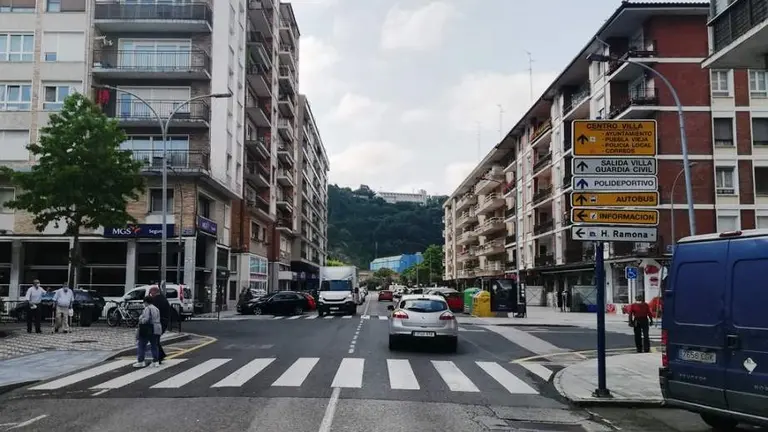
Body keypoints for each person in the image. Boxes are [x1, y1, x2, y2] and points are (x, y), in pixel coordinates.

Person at [135, 295, 162, 368]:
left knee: (141, 345)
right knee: (154, 345)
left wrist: (140, 319)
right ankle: (156, 361)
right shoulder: (156, 309)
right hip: (157, 328)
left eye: (144, 302)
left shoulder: (147, 308)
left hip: (148, 329)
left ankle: (141, 361)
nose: (144, 304)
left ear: (146, 302)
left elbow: (146, 319)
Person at [148, 286, 170, 363]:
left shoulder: (156, 300)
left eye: (150, 293)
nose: (150, 295)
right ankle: (161, 355)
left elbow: (153, 313)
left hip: (159, 323)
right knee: (156, 340)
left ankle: (158, 357)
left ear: (154, 292)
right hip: (164, 322)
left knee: (155, 340)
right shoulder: (163, 299)